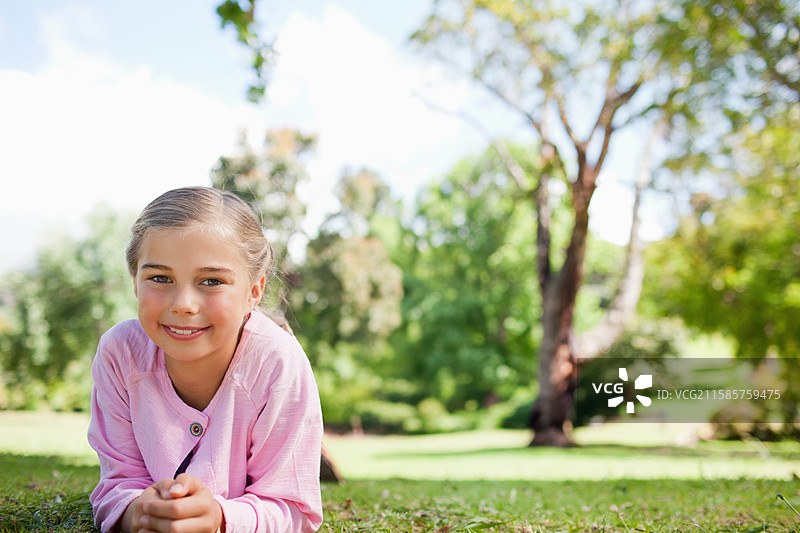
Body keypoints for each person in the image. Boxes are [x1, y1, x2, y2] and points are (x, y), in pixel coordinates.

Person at [87, 187, 323, 533]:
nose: (183, 303)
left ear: (254, 291)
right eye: (160, 278)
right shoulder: (120, 355)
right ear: (136, 282)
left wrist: (220, 519)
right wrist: (138, 511)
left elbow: (293, 510)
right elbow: (117, 484)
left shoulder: (278, 364)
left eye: (212, 281)